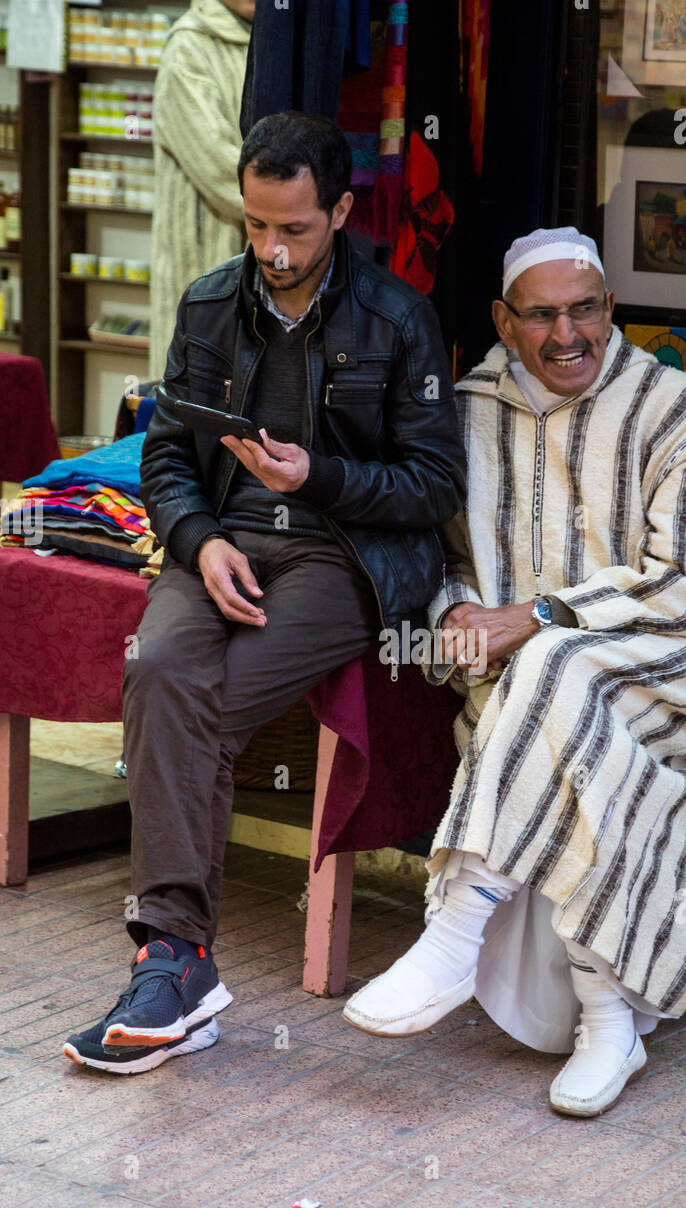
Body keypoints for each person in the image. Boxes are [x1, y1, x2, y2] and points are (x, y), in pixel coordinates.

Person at [342, 226, 686, 1118]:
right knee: (568, 694)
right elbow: (442, 561)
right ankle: (608, 1026)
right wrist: (458, 619)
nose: (567, 334)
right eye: (542, 315)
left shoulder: (674, 405)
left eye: (584, 309)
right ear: (505, 323)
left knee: (558, 661)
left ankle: (454, 933)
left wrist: (538, 617)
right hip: (543, 684)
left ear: (610, 309)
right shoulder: (467, 409)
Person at [64, 112, 466, 1074]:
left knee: (185, 707)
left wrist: (314, 479)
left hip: (342, 557)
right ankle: (177, 964)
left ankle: (173, 966)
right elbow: (167, 457)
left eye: (294, 228)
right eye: (255, 227)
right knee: (159, 666)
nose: (272, 250)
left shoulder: (399, 316)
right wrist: (198, 541)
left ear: (340, 210)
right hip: (222, 548)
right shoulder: (209, 304)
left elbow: (436, 487)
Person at [149, 0, 254, 381]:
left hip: (265, 261)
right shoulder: (188, 48)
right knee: (196, 399)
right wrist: (297, 209)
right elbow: (219, 167)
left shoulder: (279, 41)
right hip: (206, 256)